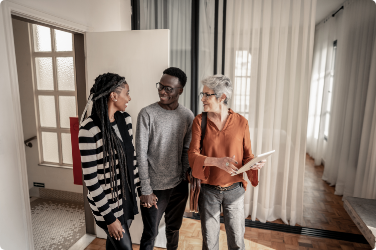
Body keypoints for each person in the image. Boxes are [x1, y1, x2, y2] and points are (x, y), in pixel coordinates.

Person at [188, 75, 266, 250]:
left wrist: (253, 163)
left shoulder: (241, 122)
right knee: (210, 243)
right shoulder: (200, 122)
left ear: (222, 97)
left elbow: (247, 156)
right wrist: (216, 161)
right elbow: (192, 155)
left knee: (237, 243)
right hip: (208, 191)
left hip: (235, 191)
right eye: (203, 94)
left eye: (207, 95)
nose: (202, 98)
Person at [79, 73, 140, 250]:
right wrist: (110, 218)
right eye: (126, 93)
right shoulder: (88, 130)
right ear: (114, 95)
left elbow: (132, 159)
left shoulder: (126, 120)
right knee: (124, 247)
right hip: (107, 206)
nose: (129, 97)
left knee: (114, 246)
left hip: (126, 198)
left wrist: (141, 189)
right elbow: (91, 181)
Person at [136, 67, 194, 250]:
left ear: (180, 90)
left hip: (178, 186)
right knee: (150, 233)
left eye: (168, 88)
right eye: (160, 86)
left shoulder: (187, 116)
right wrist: (145, 188)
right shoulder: (147, 114)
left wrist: (185, 175)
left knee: (173, 229)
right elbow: (141, 154)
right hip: (154, 189)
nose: (162, 91)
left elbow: (186, 149)